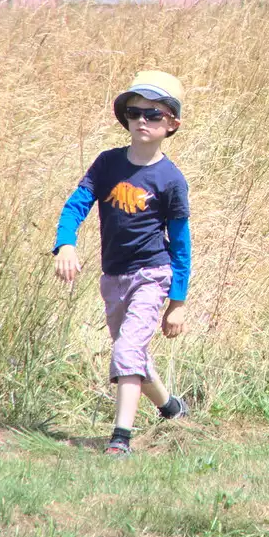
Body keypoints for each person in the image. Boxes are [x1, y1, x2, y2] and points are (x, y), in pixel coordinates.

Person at [53, 70, 193, 457]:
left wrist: (177, 303)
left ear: (172, 124)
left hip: (153, 274)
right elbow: (76, 204)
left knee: (126, 350)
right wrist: (65, 244)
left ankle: (120, 439)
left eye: (154, 114)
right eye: (135, 112)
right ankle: (171, 408)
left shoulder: (171, 180)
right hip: (113, 278)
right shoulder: (107, 164)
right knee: (131, 354)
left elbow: (181, 245)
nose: (142, 120)